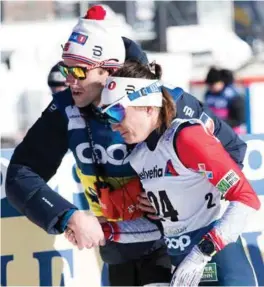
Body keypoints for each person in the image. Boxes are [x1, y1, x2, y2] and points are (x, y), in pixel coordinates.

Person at [6, 5, 247, 286]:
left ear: (109, 70)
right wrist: (67, 216)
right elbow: (20, 174)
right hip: (116, 250)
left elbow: (232, 151)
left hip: (172, 249)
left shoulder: (160, 101)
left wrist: (177, 200)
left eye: (78, 70)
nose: (68, 79)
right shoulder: (65, 108)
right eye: (64, 68)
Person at [98, 61, 261, 286]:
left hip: (221, 266)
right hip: (185, 270)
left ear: (148, 106)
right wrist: (107, 230)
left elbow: (246, 199)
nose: (113, 125)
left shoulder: (186, 137)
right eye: (106, 116)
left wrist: (203, 251)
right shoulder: (139, 156)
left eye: (117, 112)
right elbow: (166, 227)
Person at [204, 67, 246, 134]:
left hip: (233, 132)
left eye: (213, 84)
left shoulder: (233, 96)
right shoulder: (209, 94)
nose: (211, 88)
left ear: (221, 82)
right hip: (216, 130)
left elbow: (239, 119)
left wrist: (219, 123)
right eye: (209, 85)